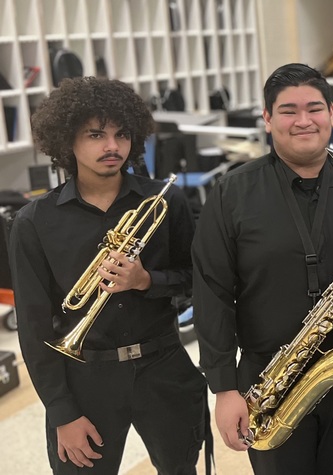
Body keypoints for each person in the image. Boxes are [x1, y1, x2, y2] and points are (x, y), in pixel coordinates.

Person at [191, 63, 333, 475]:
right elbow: (211, 293)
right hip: (267, 378)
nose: (303, 121)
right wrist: (224, 388)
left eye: (315, 108)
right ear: (267, 118)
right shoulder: (231, 194)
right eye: (288, 110)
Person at [9, 77, 206, 474]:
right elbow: (32, 327)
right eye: (95, 134)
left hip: (163, 366)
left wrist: (146, 281)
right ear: (68, 140)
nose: (112, 146)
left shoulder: (164, 201)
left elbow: (198, 281)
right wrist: (62, 412)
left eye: (121, 134)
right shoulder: (34, 222)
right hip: (84, 379)